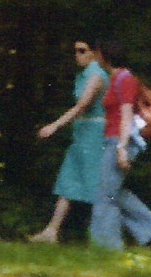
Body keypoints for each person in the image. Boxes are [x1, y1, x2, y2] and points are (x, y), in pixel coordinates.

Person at [30, 38, 110, 242]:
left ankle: (105, 236)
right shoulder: (84, 75)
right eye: (75, 51)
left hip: (94, 134)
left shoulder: (97, 75)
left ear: (93, 52)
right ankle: (51, 231)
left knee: (97, 184)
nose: (78, 55)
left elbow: (82, 105)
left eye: (82, 51)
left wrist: (55, 125)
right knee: (69, 179)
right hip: (81, 133)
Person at [89, 41, 151, 251]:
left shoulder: (125, 79)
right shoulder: (116, 78)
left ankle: (108, 247)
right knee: (113, 191)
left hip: (121, 142)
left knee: (106, 195)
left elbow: (127, 116)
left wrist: (121, 149)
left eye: (97, 53)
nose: (95, 57)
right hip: (114, 140)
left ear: (105, 55)